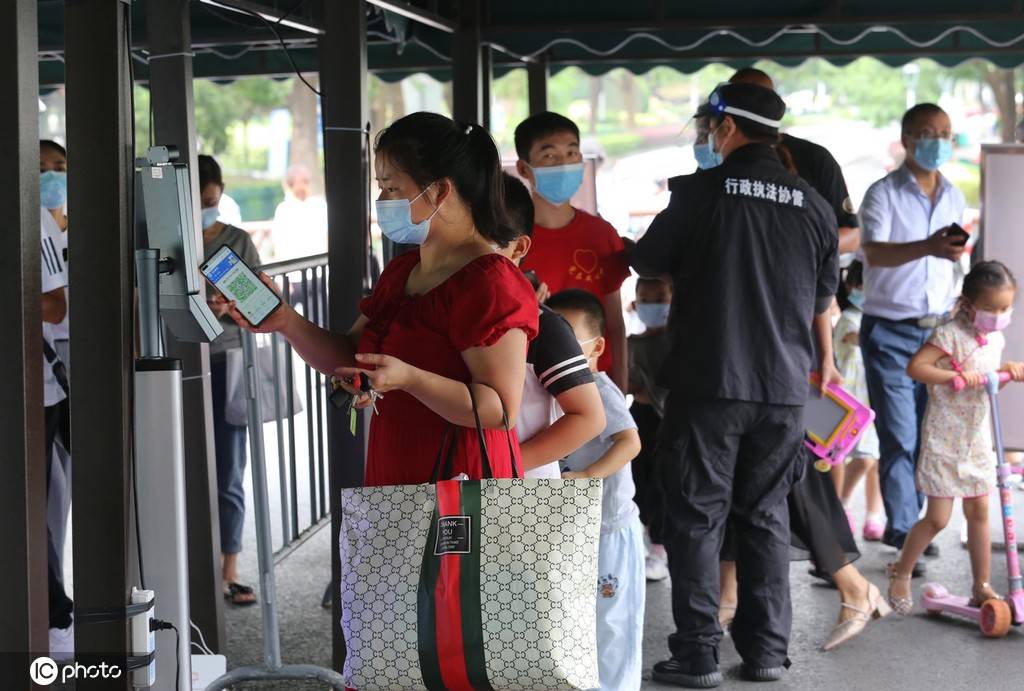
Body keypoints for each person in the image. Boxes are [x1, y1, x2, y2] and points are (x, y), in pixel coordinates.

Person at [631, 82, 844, 687]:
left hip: (709, 385)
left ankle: (697, 654)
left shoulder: (699, 193)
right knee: (765, 517)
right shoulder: (814, 205)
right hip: (783, 390)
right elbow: (821, 301)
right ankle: (767, 652)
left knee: (698, 517)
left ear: (726, 129)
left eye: (709, 128)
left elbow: (647, 262)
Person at [217, 112, 538, 487]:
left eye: (392, 188)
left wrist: (410, 380)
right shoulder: (402, 272)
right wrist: (286, 320)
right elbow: (352, 356)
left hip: (462, 481)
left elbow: (500, 410)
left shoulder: (490, 282)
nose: (381, 200)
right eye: (381, 187)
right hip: (397, 467)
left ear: (439, 191)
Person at [859, 103, 967, 567]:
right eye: (927, 132)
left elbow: (953, 261)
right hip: (888, 330)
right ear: (906, 139)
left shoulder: (955, 196)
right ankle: (903, 531)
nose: (936, 140)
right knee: (899, 434)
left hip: (938, 334)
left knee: (928, 434)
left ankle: (916, 525)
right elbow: (875, 254)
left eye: (944, 132)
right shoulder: (882, 193)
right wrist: (929, 246)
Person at [887, 262, 1024, 612]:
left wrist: (1006, 372)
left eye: (1004, 309)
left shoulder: (997, 337)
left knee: (979, 509)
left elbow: (989, 375)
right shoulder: (949, 334)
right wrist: (953, 377)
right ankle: (902, 571)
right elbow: (916, 367)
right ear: (968, 303)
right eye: (990, 309)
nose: (997, 316)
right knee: (938, 518)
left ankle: (981, 585)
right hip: (945, 436)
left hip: (977, 436)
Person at [548, 289, 645, 691]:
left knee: (613, 626)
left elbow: (630, 442)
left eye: (570, 341)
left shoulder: (600, 389)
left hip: (609, 529)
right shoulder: (551, 392)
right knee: (574, 624)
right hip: (572, 533)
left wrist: (589, 476)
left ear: (597, 346)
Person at [496, 173, 605, 479]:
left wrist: (503, 465)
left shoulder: (544, 326)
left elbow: (588, 417)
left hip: (524, 498)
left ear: (519, 248)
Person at [515, 112, 630, 392]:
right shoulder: (511, 240)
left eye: (571, 153)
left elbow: (614, 322)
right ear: (523, 169)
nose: (564, 164)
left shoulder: (601, 234)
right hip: (534, 385)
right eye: (550, 156)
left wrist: (621, 387)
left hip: (598, 383)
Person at [199, 154, 262, 606]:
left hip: (227, 360)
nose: (206, 208)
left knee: (228, 467)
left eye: (211, 200)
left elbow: (260, 304)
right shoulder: (167, 240)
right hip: (181, 363)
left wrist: (229, 304)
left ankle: (230, 567)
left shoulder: (236, 241)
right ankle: (192, 562)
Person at [728, 68, 861, 255]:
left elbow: (852, 236)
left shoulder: (815, 158)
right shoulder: (716, 161)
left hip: (802, 279)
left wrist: (792, 252)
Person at [39, 177, 74, 657]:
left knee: (36, 508)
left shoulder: (39, 221)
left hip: (37, 389)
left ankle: (55, 619)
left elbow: (53, 304)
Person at [832, 260, 885, 541]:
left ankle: (873, 514)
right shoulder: (848, 320)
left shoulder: (872, 321)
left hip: (870, 399)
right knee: (853, 458)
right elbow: (855, 339)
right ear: (851, 287)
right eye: (864, 286)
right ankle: (842, 503)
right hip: (848, 404)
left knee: (873, 459)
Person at [628, 277, 672, 581]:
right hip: (641, 418)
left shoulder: (682, 340)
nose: (653, 304)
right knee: (638, 480)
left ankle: (659, 548)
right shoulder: (632, 343)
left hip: (671, 422)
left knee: (662, 485)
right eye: (645, 299)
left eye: (660, 297)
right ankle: (645, 540)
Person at [270, 164, 328, 261]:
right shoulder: (283, 210)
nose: (303, 186)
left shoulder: (319, 205)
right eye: (300, 182)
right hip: (294, 271)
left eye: (306, 181)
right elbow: (279, 247)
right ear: (289, 185)